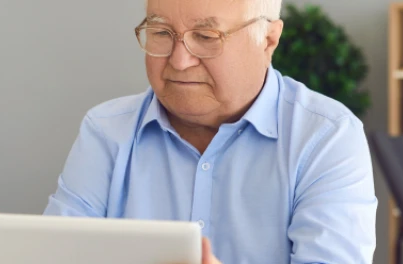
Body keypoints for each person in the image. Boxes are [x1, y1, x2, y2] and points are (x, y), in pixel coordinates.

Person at [42, 0, 377, 263]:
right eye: (160, 33)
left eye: (205, 37)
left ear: (268, 40)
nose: (179, 60)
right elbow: (52, 256)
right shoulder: (106, 129)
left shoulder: (326, 137)